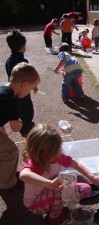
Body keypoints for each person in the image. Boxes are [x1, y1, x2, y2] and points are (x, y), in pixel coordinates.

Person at [19, 124, 99, 225]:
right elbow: (23, 175)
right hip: (35, 205)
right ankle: (54, 219)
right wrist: (50, 183)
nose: (61, 150)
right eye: (58, 149)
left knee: (86, 189)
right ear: (44, 153)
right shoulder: (36, 164)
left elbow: (76, 164)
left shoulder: (56, 157)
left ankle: (58, 207)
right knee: (59, 190)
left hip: (53, 193)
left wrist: (92, 177)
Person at [0, 63, 40, 192]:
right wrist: (21, 123)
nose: (28, 93)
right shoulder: (11, 100)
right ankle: (6, 184)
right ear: (24, 84)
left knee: (5, 146)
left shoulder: (3, 90)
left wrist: (4, 136)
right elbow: (16, 128)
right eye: (30, 89)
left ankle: (4, 173)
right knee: (11, 151)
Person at [5, 29, 38, 137]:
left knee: (19, 111)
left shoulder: (8, 61)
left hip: (14, 91)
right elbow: (27, 78)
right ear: (23, 46)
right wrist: (34, 87)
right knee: (28, 112)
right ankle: (27, 130)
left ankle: (25, 127)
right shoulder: (24, 63)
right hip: (23, 93)